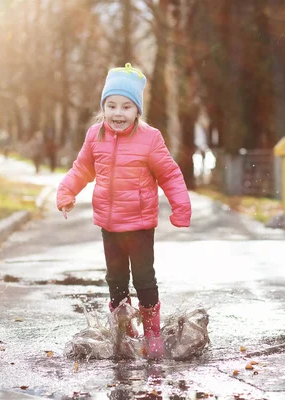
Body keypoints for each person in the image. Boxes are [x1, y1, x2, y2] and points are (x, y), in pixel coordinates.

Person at [56, 63, 192, 359]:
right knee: (115, 279)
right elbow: (82, 168)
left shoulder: (150, 138)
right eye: (112, 105)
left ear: (137, 111)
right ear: (103, 108)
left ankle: (152, 333)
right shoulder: (95, 136)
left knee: (144, 278)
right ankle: (125, 327)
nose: (118, 113)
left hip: (140, 225)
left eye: (126, 107)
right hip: (109, 224)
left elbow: (169, 174)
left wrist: (181, 207)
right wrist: (67, 191)